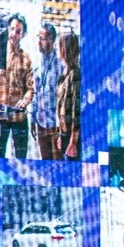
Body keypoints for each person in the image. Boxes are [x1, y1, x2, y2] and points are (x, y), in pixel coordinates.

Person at [0, 13, 34, 159]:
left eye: (18, 31)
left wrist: (25, 100)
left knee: (21, 158)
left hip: (19, 117)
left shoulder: (26, 59)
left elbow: (30, 88)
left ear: (23, 34)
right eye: (12, 29)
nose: (14, 34)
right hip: (1, 116)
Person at [32, 23, 63, 160]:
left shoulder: (61, 65)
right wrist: (33, 119)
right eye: (38, 37)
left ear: (51, 40)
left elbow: (63, 98)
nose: (39, 42)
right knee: (45, 162)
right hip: (41, 122)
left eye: (42, 38)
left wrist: (61, 125)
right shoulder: (37, 64)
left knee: (58, 163)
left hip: (55, 125)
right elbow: (35, 92)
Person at [55, 31, 81, 160]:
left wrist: (73, 142)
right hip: (65, 133)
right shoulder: (65, 73)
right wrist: (60, 134)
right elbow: (61, 108)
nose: (56, 48)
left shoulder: (75, 74)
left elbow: (76, 112)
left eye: (58, 45)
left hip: (72, 138)